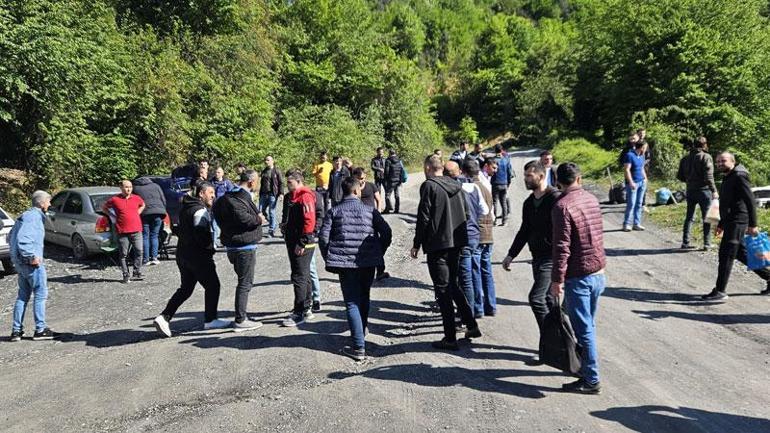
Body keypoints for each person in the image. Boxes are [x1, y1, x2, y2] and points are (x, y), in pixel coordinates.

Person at [411, 155, 481, 351]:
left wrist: (417, 243)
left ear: (427, 168)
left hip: (438, 245)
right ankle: (471, 325)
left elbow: (423, 217)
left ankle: (450, 338)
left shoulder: (429, 186)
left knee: (443, 290)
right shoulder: (457, 185)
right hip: (457, 243)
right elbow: (467, 214)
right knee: (453, 285)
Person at [320, 177, 392, 361]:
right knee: (364, 296)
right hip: (367, 262)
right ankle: (362, 330)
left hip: (345, 263)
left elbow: (323, 238)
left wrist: (330, 256)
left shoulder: (334, 211)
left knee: (351, 302)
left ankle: (359, 347)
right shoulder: (370, 210)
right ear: (356, 191)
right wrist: (378, 250)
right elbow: (387, 232)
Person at [550, 163, 606, 394]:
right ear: (579, 179)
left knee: (584, 330)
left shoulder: (561, 206)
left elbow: (562, 247)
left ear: (558, 181)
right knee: (588, 325)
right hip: (598, 272)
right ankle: (585, 371)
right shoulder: (591, 199)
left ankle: (591, 379)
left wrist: (557, 280)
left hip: (579, 276)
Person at [153, 182, 231, 337]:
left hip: (183, 255)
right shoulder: (199, 210)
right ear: (201, 194)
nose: (213, 195)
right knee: (213, 286)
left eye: (213, 192)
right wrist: (210, 249)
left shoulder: (186, 207)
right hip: (198, 256)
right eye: (210, 192)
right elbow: (201, 235)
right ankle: (210, 320)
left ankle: (164, 317)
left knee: (186, 289)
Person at [503, 161, 560, 339]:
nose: (526, 179)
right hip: (537, 257)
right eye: (525, 175)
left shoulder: (556, 199)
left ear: (541, 176)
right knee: (550, 301)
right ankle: (562, 342)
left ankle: (552, 341)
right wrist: (511, 254)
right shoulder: (529, 203)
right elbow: (524, 230)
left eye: (529, 176)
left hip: (552, 258)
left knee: (537, 298)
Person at [702, 152, 770, 300]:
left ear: (733, 161)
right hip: (731, 221)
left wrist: (753, 224)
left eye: (723, 161)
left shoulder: (739, 176)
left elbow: (750, 200)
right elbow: (727, 203)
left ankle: (720, 291)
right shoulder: (729, 176)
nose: (719, 163)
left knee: (726, 255)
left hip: (738, 221)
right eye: (718, 161)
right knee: (740, 253)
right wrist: (721, 223)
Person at [212, 170, 265, 332]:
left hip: (232, 245)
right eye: (257, 182)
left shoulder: (225, 198)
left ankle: (242, 316)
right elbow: (244, 218)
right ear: (251, 182)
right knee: (245, 283)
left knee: (243, 281)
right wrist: (258, 219)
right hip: (243, 247)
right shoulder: (238, 198)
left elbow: (218, 216)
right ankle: (241, 320)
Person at [8, 191, 58, 342]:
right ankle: (40, 330)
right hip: (30, 263)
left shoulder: (25, 215)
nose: (49, 204)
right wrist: (30, 257)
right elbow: (23, 239)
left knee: (23, 296)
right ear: (42, 203)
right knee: (40, 294)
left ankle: (16, 331)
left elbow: (10, 236)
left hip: (20, 263)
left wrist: (16, 258)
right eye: (48, 201)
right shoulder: (33, 217)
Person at [446, 161, 489, 319]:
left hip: (460, 237)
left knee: (463, 277)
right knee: (471, 273)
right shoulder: (474, 188)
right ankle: (474, 310)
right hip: (474, 235)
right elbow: (485, 210)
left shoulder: (452, 190)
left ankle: (467, 315)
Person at [281, 170, 318, 327]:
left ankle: (299, 311)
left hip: (302, 242)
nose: (287, 185)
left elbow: (309, 221)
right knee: (304, 275)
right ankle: (307, 307)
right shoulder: (291, 197)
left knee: (299, 276)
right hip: (292, 239)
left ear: (298, 181)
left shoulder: (305, 196)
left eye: (290, 183)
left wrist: (302, 242)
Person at [466, 159, 496, 317]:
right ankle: (491, 305)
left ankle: (478, 308)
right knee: (487, 270)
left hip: (478, 233)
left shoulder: (471, 188)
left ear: (465, 172)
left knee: (475, 271)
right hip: (488, 233)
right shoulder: (485, 186)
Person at [677, 136, 718, 250]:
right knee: (707, 217)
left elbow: (680, 176)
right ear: (704, 145)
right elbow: (709, 177)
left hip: (690, 190)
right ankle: (707, 243)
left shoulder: (685, 158)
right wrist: (714, 190)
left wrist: (690, 181)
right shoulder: (706, 157)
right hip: (704, 191)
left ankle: (685, 242)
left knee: (689, 217)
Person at [103, 180, 145, 283]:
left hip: (136, 229)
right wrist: (112, 215)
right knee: (123, 254)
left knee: (139, 251)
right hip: (122, 230)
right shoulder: (115, 199)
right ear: (121, 188)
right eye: (126, 187)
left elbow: (143, 204)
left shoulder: (136, 198)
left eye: (130, 187)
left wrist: (138, 212)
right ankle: (125, 274)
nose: (129, 189)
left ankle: (137, 272)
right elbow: (104, 208)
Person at [353, 167, 388, 280]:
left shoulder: (371, 186)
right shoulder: (352, 188)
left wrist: (378, 212)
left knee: (377, 243)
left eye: (362, 178)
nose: (361, 181)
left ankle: (380, 271)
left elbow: (378, 199)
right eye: (358, 178)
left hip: (372, 218)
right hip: (358, 220)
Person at [132, 176, 167, 266]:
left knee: (145, 236)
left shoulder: (135, 188)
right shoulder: (156, 186)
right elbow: (163, 199)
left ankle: (146, 259)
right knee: (154, 235)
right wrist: (163, 209)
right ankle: (154, 257)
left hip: (144, 214)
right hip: (158, 212)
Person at [622, 140, 648, 231]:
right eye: (645, 147)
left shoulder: (642, 156)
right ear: (641, 147)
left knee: (639, 203)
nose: (646, 149)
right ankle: (626, 224)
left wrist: (645, 178)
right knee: (631, 204)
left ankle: (636, 223)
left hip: (641, 182)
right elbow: (627, 170)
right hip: (633, 183)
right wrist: (631, 182)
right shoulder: (629, 155)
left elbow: (642, 168)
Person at [259, 155, 284, 238]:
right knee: (260, 211)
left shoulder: (277, 171)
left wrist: (281, 193)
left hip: (272, 194)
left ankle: (271, 230)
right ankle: (271, 222)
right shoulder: (264, 171)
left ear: (273, 161)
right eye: (265, 160)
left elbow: (281, 182)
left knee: (271, 212)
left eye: (268, 160)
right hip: (263, 194)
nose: (266, 162)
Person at [211, 166, 235, 248]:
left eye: (219, 172)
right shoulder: (211, 182)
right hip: (214, 206)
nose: (217, 174)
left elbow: (231, 194)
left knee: (226, 225)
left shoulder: (227, 183)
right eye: (216, 172)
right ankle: (215, 242)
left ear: (222, 173)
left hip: (225, 207)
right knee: (214, 225)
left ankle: (226, 241)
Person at [491, 144, 514, 226]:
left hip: (495, 183)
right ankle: (504, 221)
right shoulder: (506, 160)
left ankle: (494, 221)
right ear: (502, 150)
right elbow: (509, 173)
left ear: (495, 150)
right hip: (504, 183)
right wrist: (508, 183)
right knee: (503, 202)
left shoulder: (493, 160)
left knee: (494, 202)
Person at [383, 149, 404, 214]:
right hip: (397, 180)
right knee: (397, 195)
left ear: (389, 153)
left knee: (387, 195)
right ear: (395, 153)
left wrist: (385, 179)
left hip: (390, 180)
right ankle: (396, 210)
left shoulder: (388, 160)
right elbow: (401, 171)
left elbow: (386, 171)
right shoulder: (399, 160)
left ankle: (387, 209)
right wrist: (400, 180)